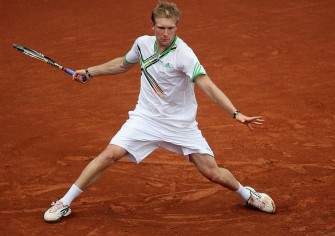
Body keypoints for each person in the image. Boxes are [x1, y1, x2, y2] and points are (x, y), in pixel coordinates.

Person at [44, 1, 275, 222]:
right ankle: (64, 202)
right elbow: (123, 64)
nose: (166, 33)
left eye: (171, 28)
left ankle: (247, 195)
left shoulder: (184, 54)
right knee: (109, 154)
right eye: (161, 28)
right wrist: (89, 71)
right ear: (152, 26)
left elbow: (208, 85)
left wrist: (236, 113)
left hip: (179, 124)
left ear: (177, 27)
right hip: (146, 118)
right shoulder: (142, 44)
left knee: (212, 172)